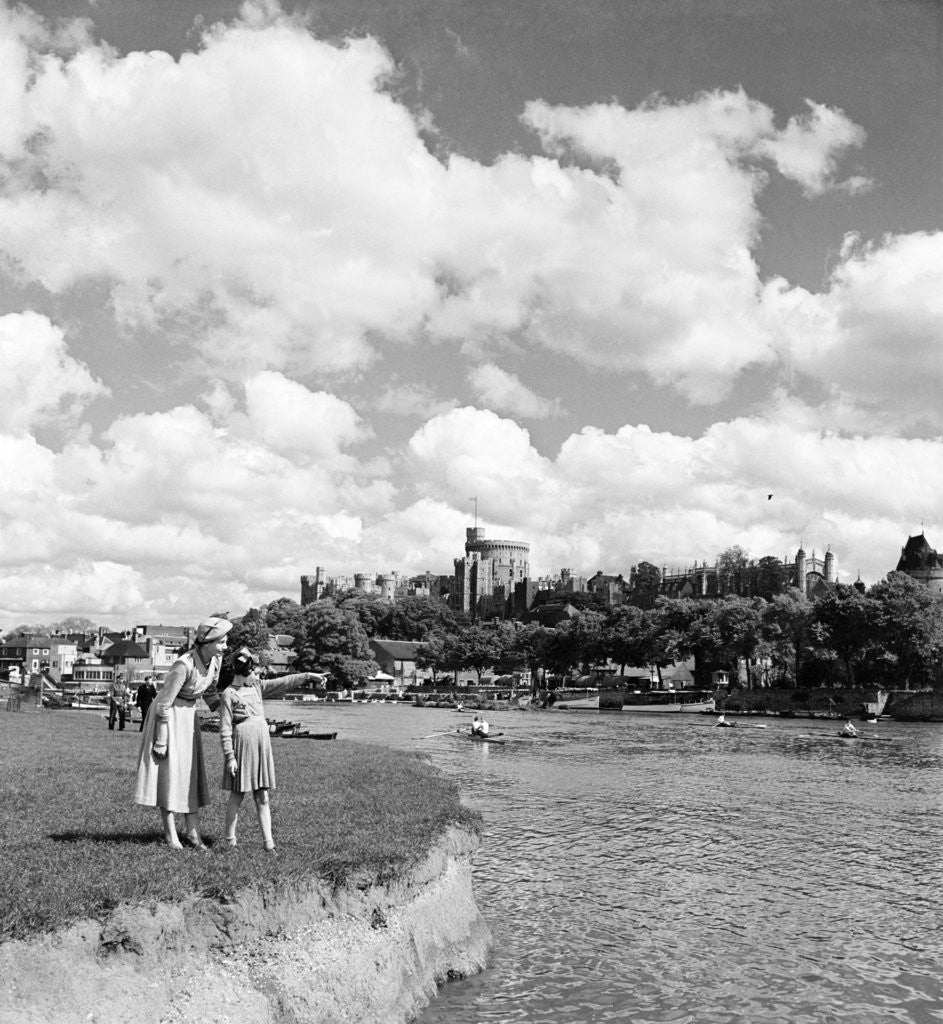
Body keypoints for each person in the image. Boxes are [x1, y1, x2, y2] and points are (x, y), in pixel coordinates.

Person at [134, 616, 232, 850]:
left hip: (188, 717)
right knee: (168, 773)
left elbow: (208, 693)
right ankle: (171, 836)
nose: (225, 647)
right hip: (168, 718)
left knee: (190, 773)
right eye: (221, 642)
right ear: (206, 642)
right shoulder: (184, 664)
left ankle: (193, 833)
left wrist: (225, 710)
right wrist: (161, 739)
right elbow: (163, 704)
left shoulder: (215, 662)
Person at [219, 647, 325, 851]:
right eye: (255, 672)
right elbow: (224, 730)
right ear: (244, 672)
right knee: (237, 795)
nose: (258, 675)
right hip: (242, 747)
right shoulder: (229, 694)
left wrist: (308, 675)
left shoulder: (257, 687)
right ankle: (230, 842)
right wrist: (230, 757)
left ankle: (269, 844)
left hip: (261, 746)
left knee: (262, 796)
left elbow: (284, 682)